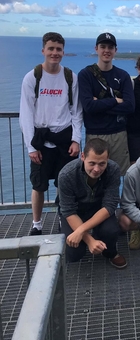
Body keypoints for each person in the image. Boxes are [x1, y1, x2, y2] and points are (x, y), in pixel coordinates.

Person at [19, 31, 83, 236]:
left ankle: (62, 218)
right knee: (38, 185)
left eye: (58, 49)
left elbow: (76, 111)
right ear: (43, 50)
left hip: (64, 138)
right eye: (51, 49)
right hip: (41, 139)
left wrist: (76, 139)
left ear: (63, 51)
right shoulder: (32, 77)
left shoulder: (70, 77)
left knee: (64, 183)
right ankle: (36, 224)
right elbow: (26, 113)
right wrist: (31, 147)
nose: (55, 53)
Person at [58, 138, 126, 268]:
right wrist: (90, 241)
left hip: (98, 208)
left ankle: (110, 253)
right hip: (75, 211)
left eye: (102, 164)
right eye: (92, 163)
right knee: (74, 252)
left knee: (111, 231)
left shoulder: (113, 169)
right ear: (82, 156)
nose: (96, 169)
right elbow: (69, 210)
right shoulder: (66, 174)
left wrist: (82, 229)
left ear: (108, 159)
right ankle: (67, 226)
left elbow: (110, 205)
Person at [78, 33, 135, 175]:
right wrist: (115, 101)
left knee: (118, 175)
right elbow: (89, 107)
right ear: (96, 48)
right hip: (95, 134)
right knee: (94, 175)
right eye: (103, 47)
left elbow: (129, 106)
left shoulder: (123, 76)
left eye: (110, 47)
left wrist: (100, 105)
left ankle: (113, 199)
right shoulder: (85, 75)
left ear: (116, 50)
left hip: (119, 134)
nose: (106, 50)